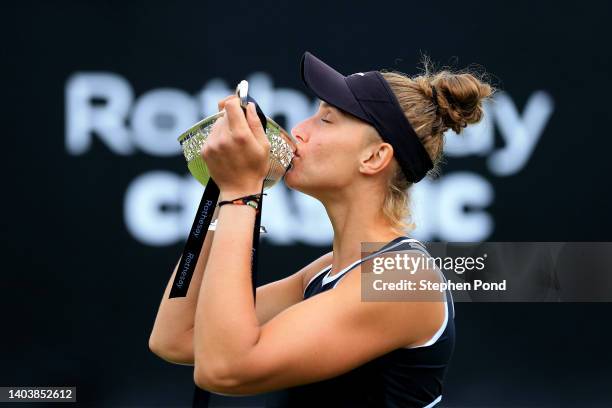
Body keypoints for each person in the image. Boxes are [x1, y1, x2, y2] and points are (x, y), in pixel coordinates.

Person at [149, 51, 493, 407]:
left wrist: (241, 192)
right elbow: (176, 336)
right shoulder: (327, 272)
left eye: (326, 120)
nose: (299, 130)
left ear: (374, 157)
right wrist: (225, 186)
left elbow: (224, 369)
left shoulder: (406, 281)